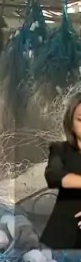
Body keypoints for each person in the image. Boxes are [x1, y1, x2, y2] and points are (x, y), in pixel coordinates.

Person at [41, 91, 81, 250]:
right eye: (80, 119)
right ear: (70, 123)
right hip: (61, 236)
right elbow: (53, 175)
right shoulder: (60, 149)